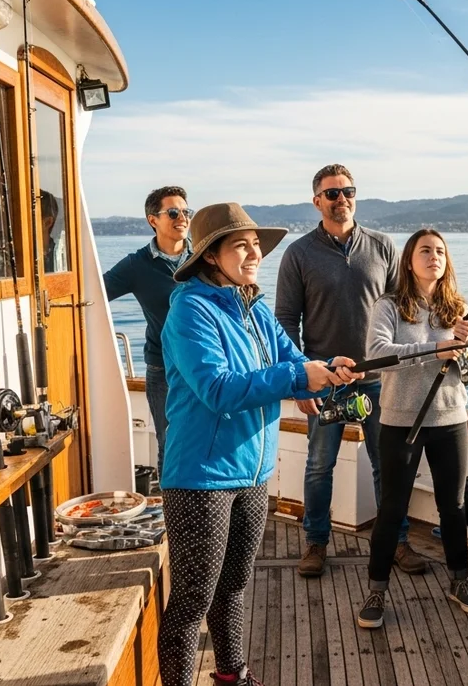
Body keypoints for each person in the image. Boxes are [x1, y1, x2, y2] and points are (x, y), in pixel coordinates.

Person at [157, 202, 362, 686]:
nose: (253, 253)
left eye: (256, 245)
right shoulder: (190, 310)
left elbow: (292, 360)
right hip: (201, 478)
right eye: (240, 245)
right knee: (192, 599)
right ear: (210, 256)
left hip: (252, 472)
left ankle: (233, 675)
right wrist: (296, 375)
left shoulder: (255, 307)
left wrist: (324, 372)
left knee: (232, 587)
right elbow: (219, 389)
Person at [276, 163, 428, 577]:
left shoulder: (382, 246)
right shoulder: (298, 253)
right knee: (319, 465)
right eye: (332, 194)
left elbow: (406, 311)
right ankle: (315, 544)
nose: (341, 199)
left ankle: (396, 542)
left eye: (348, 191)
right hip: (326, 380)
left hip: (382, 379)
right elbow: (286, 321)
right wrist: (301, 381)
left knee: (387, 464)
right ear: (316, 202)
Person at [355, 228, 468, 630]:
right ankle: (376, 590)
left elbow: (467, 374)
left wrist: (465, 353)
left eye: (440, 251)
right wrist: (435, 349)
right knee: (393, 508)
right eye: (425, 250)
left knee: (455, 506)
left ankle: (459, 582)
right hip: (400, 420)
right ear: (409, 259)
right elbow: (377, 355)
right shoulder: (389, 305)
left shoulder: (458, 310)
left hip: (450, 421)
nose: (434, 256)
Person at [103, 185, 193, 474]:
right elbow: (94, 291)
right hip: (163, 369)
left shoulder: (204, 256)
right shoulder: (136, 265)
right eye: (173, 212)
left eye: (185, 211)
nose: (182, 217)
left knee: (207, 438)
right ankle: (173, 513)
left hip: (208, 365)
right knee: (170, 442)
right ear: (152, 220)